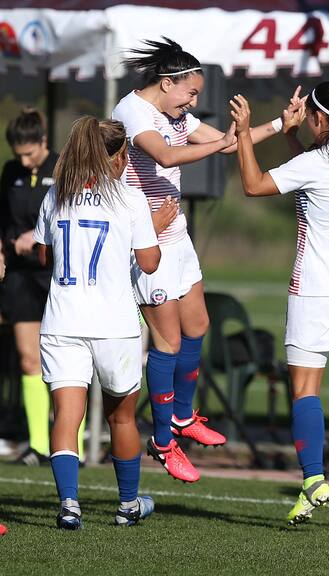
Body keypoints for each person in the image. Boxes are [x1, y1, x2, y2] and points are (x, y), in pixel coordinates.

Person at [112, 37, 283, 482]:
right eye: (190, 93)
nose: (193, 103)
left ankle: (184, 417)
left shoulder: (173, 112)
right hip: (146, 240)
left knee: (199, 326)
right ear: (166, 83)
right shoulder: (133, 113)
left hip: (176, 234)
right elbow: (167, 154)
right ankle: (164, 442)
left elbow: (228, 144)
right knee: (166, 342)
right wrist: (221, 140)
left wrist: (280, 124)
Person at [229, 81, 329, 525]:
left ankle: (314, 480)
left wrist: (244, 131)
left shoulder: (316, 163)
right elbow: (313, 170)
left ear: (319, 119)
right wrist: (290, 135)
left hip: (317, 287)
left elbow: (254, 184)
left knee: (305, 390)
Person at [34, 116, 161, 529]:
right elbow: (149, 261)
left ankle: (69, 505)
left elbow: (42, 255)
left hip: (62, 320)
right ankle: (127, 505)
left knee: (65, 418)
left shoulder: (58, 195)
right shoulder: (130, 198)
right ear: (120, 155)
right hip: (114, 323)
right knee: (121, 418)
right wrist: (150, 234)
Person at [0, 107, 85, 465]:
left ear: (44, 143)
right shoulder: (10, 172)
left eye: (30, 154)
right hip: (20, 276)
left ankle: (71, 445)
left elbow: (75, 216)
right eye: (19, 155)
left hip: (55, 273)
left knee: (68, 360)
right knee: (28, 357)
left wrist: (36, 237)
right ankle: (37, 445)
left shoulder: (63, 169)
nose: (25, 161)